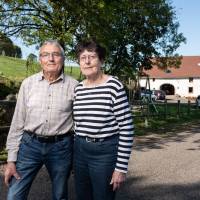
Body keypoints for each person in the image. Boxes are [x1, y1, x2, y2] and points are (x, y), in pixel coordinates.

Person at [4, 40, 78, 200]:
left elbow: (80, 124)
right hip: (29, 146)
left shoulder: (74, 86)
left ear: (63, 59)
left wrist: (76, 156)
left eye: (56, 54)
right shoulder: (28, 84)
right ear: (40, 60)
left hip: (61, 148)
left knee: (60, 196)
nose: (51, 59)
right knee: (14, 195)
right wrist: (11, 159)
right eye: (45, 54)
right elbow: (17, 122)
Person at [73, 39, 134, 200]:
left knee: (103, 196)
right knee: (82, 195)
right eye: (82, 58)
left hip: (105, 153)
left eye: (92, 56)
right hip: (80, 150)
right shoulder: (78, 89)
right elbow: (77, 124)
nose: (87, 61)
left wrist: (120, 168)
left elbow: (127, 128)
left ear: (101, 61)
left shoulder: (114, 86)